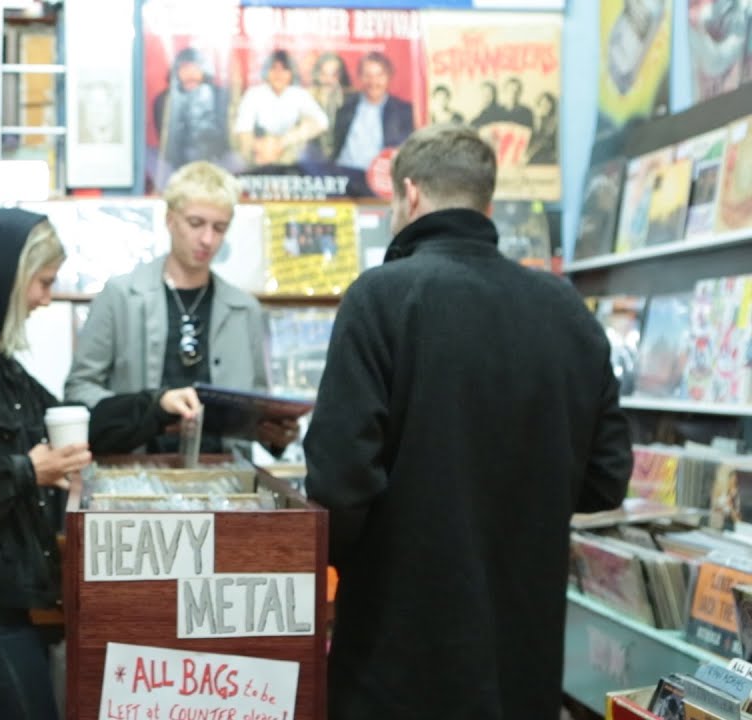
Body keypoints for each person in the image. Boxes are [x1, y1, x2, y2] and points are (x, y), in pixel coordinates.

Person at [303, 124, 632, 719]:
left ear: (409, 194)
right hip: (522, 659)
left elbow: (337, 483)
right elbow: (606, 478)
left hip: (396, 652)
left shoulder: (380, 298)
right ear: (487, 201)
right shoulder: (565, 309)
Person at [0, 209, 202, 720]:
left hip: (1, 592)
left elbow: (71, 424)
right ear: (10, 277)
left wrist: (154, 407)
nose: (45, 298)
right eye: (43, 282)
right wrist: (25, 471)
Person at [65, 161, 298, 455]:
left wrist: (275, 432)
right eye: (196, 223)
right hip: (134, 471)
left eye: (220, 228)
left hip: (222, 475)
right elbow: (79, 390)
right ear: (170, 219)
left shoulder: (244, 308)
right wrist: (146, 409)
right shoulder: (121, 295)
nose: (207, 239)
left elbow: (257, 405)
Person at [233, 50, 329, 168]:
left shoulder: (299, 94)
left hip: (291, 148)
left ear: (291, 73)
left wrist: (282, 142)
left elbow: (322, 122)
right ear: (267, 71)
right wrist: (261, 149)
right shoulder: (254, 94)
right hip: (258, 151)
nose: (278, 74)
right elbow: (243, 129)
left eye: (284, 69)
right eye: (274, 68)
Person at [153, 47, 230, 185]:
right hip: (176, 168)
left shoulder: (219, 96)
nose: (190, 74)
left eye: (195, 68)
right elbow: (166, 140)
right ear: (176, 72)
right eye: (185, 69)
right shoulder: (165, 100)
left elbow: (225, 137)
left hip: (216, 165)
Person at [332, 52, 415, 173]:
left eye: (379, 75)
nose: (373, 81)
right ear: (360, 77)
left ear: (389, 77)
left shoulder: (404, 111)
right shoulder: (345, 107)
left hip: (381, 179)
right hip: (346, 175)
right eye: (367, 75)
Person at [308, 52, 353, 159]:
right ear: (317, 74)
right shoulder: (306, 98)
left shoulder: (351, 99)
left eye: (334, 75)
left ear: (341, 76)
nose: (328, 80)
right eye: (324, 74)